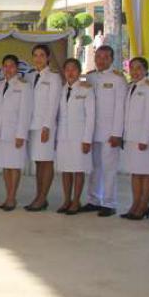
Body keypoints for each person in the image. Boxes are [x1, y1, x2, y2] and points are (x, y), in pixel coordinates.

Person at [82, 45, 127, 217]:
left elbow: (120, 108)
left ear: (111, 60)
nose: (101, 60)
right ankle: (93, 200)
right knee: (94, 167)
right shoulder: (90, 77)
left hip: (110, 131)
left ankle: (109, 203)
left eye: (105, 57)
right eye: (98, 57)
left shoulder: (118, 79)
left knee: (109, 168)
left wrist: (117, 133)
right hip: (93, 130)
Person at [121, 57, 149, 220]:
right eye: (132, 68)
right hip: (131, 136)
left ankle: (144, 206)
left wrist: (144, 139)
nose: (135, 71)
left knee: (146, 172)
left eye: (139, 68)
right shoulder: (131, 87)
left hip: (144, 138)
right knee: (135, 172)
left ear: (145, 70)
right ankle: (135, 204)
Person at [55, 59, 95, 215]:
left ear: (79, 72)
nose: (70, 72)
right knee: (65, 169)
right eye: (67, 69)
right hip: (63, 137)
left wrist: (87, 139)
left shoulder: (86, 90)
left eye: (73, 69)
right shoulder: (62, 90)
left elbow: (90, 117)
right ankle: (67, 200)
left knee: (78, 169)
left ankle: (76, 201)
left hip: (79, 137)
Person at [25, 43, 62, 212]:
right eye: (35, 55)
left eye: (42, 55)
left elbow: (53, 104)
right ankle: (39, 196)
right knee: (38, 163)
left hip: (45, 126)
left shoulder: (53, 77)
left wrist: (47, 127)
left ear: (48, 58)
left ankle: (42, 198)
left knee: (46, 162)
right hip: (33, 126)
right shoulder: (30, 76)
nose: (38, 58)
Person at [0, 54, 32, 211]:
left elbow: (25, 112)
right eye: (6, 66)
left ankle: (12, 198)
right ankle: (8, 196)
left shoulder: (23, 86)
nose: (8, 69)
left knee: (15, 166)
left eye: (11, 66)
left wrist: (21, 134)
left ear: (17, 68)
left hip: (15, 132)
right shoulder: (0, 85)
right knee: (5, 166)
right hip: (2, 133)